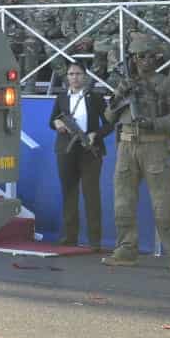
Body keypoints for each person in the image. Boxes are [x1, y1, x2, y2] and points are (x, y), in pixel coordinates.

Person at [103, 34, 170, 272]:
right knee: (123, 204)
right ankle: (125, 251)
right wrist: (119, 95)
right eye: (140, 57)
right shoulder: (124, 83)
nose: (145, 61)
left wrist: (153, 123)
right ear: (132, 58)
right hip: (125, 146)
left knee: (163, 206)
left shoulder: (164, 84)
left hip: (154, 146)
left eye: (149, 56)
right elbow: (109, 117)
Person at [49, 64, 112, 248]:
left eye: (78, 74)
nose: (74, 77)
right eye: (71, 74)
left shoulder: (96, 98)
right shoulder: (61, 98)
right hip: (66, 149)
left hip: (89, 149)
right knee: (69, 192)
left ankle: (94, 240)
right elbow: (51, 121)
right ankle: (70, 236)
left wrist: (96, 134)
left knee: (91, 194)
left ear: (85, 76)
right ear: (67, 77)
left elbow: (109, 124)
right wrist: (58, 123)